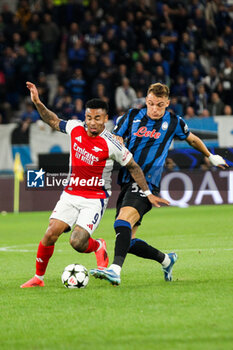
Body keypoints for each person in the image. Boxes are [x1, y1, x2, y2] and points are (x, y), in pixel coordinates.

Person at [21, 82, 168, 288]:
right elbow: (53, 120)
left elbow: (134, 167)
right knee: (50, 233)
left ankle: (98, 245)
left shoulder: (112, 143)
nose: (92, 122)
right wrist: (37, 102)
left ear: (105, 119)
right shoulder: (74, 128)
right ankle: (38, 278)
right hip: (71, 194)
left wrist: (147, 193)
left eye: (97, 118)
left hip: (94, 199)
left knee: (77, 242)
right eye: (89, 117)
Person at [90, 82, 228, 286]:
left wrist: (210, 155)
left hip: (148, 184)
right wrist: (115, 148)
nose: (155, 109)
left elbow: (191, 139)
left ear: (167, 104)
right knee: (126, 240)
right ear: (146, 100)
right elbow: (117, 137)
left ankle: (115, 270)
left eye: (160, 105)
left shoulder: (174, 121)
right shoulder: (131, 116)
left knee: (122, 222)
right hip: (127, 181)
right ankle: (166, 259)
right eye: (152, 103)